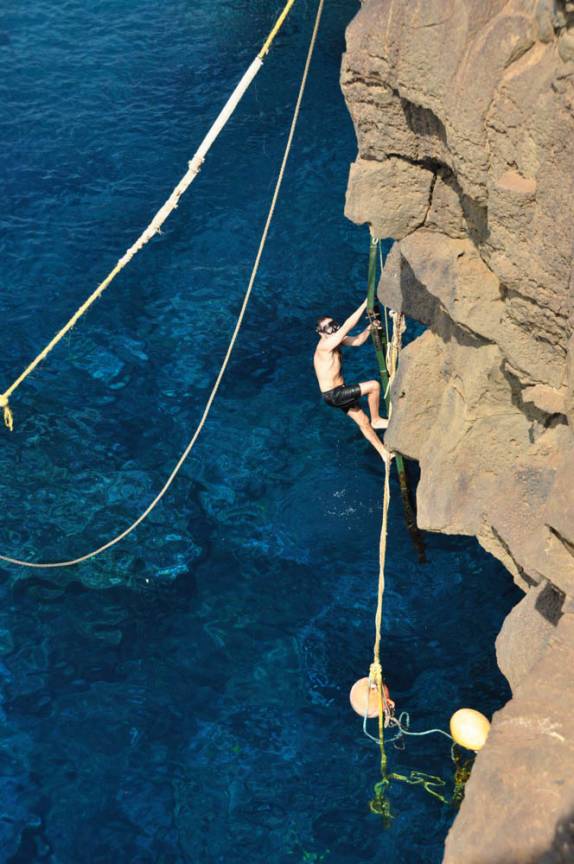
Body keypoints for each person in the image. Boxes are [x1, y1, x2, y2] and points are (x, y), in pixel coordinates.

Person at [314, 299, 392, 463]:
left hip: (338, 393)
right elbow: (348, 325)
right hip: (334, 394)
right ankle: (377, 419)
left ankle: (384, 454)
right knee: (374, 386)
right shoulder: (325, 345)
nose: (334, 328)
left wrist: (369, 328)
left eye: (334, 324)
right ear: (321, 332)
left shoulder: (336, 340)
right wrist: (365, 304)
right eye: (328, 327)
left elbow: (357, 341)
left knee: (363, 421)